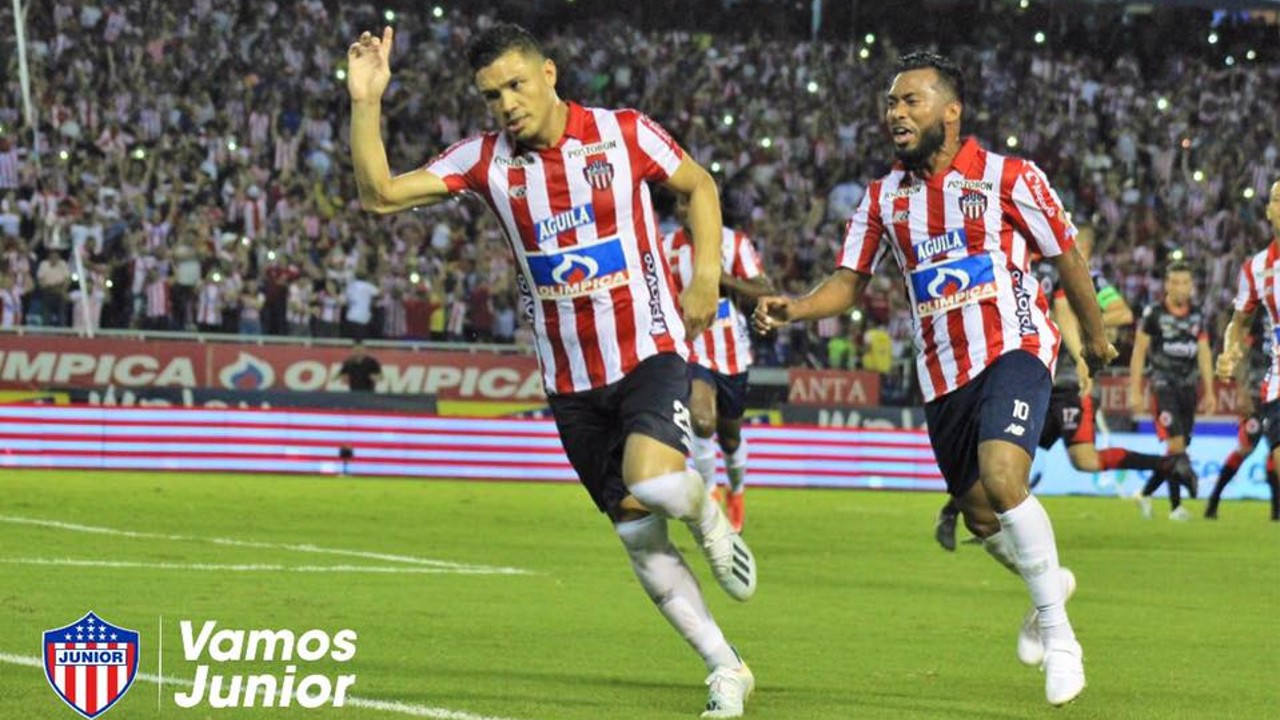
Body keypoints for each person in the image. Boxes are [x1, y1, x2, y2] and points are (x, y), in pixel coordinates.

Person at [347, 23, 757, 718]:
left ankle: (709, 516)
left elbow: (699, 184)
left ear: (549, 74)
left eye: (516, 84)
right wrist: (366, 101)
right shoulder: (484, 161)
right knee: (637, 536)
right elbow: (380, 194)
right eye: (491, 95)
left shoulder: (623, 133)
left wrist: (707, 275)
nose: (506, 104)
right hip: (570, 385)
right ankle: (727, 667)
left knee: (654, 480)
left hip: (648, 353)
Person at [753, 51, 1111, 706]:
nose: (896, 113)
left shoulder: (1009, 177)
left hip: (1015, 346)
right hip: (942, 372)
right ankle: (1049, 586)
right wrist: (795, 308)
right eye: (891, 103)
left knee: (1002, 477)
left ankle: (1061, 638)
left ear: (951, 111)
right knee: (979, 515)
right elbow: (849, 283)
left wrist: (1094, 336)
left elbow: (1066, 256)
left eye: (910, 101)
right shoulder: (882, 198)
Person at [933, 224, 1192, 549]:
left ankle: (1165, 464)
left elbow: (1122, 313)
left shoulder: (1092, 281)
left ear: (1085, 249)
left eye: (1074, 244)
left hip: (1069, 383)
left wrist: (1088, 322)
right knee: (1008, 455)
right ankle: (965, 515)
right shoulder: (1034, 266)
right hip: (1034, 377)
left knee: (1080, 459)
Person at [663, 196, 773, 532]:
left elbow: (764, 289)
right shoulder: (667, 247)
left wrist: (726, 279)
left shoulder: (733, 242)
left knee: (730, 438)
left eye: (691, 202)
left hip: (732, 352)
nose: (685, 209)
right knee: (701, 420)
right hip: (693, 349)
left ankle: (735, 490)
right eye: (680, 203)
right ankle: (708, 497)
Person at [1213, 180, 1280, 522]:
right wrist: (1229, 353)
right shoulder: (1255, 268)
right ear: (1268, 211)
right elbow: (1239, 324)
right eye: (1277, 200)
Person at [1128, 261, 1215, 520]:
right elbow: (1139, 352)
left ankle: (1145, 494)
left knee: (1178, 449)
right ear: (1167, 284)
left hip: (1189, 387)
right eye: (1175, 282)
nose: (1180, 288)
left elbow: (1204, 353)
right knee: (1176, 445)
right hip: (1163, 385)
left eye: (1185, 282)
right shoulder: (1153, 313)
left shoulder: (1198, 315)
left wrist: (1210, 391)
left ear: (1191, 286)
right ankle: (1176, 508)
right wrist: (1135, 390)